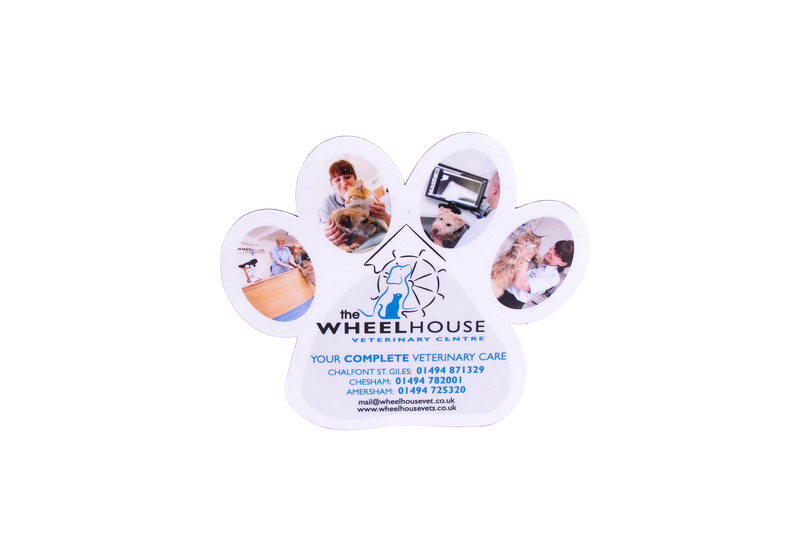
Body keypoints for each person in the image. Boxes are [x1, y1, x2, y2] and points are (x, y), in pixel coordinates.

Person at [319, 160, 391, 247]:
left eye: (347, 177)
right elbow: (325, 235)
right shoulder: (327, 204)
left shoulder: (367, 196)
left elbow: (390, 226)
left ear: (355, 178)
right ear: (332, 184)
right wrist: (329, 238)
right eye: (337, 180)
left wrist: (384, 215)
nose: (344, 183)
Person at [497, 240, 574, 309]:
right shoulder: (536, 256)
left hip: (511, 301)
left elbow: (519, 284)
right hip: (499, 287)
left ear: (563, 263)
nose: (551, 251)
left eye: (556, 254)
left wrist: (527, 258)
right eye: (554, 248)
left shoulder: (552, 278)